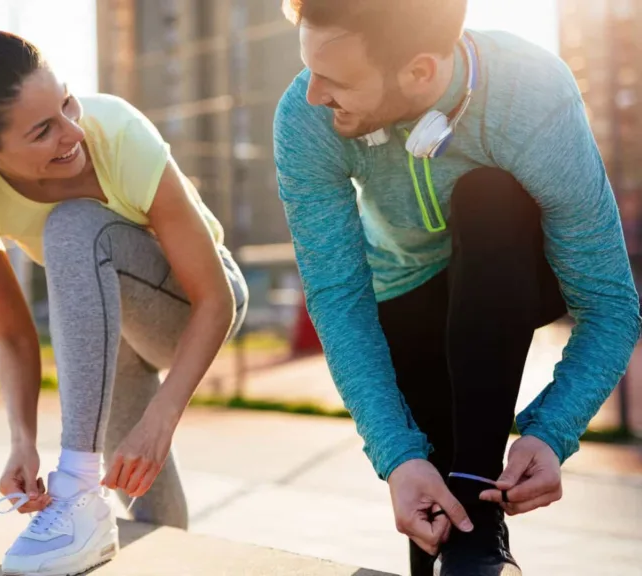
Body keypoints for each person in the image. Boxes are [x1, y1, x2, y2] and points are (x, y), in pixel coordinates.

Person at [272, 1, 640, 575]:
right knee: (438, 523)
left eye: (336, 79)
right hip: (404, 294)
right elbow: (339, 300)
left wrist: (551, 431)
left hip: (513, 273)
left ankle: (475, 496)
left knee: (488, 195)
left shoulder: (532, 94)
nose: (313, 93)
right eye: (310, 68)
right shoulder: (304, 116)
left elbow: (611, 305)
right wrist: (396, 457)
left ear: (419, 71)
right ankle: (471, 539)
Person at [0, 29, 248, 575]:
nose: (72, 132)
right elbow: (15, 336)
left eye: (67, 101)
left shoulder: (116, 132)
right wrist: (21, 441)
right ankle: (97, 511)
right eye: (43, 130)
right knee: (154, 516)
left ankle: (75, 487)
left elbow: (214, 299)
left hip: (197, 304)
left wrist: (161, 419)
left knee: (72, 226)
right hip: (113, 345)